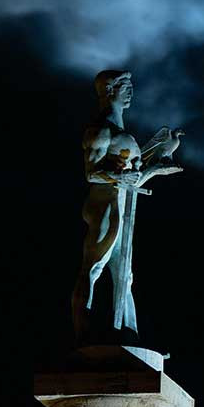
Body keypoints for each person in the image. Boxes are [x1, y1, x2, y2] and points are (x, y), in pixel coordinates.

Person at [72, 70, 142, 343]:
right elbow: (91, 173)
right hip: (104, 204)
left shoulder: (122, 133)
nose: (131, 91)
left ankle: (130, 333)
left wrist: (155, 168)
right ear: (110, 90)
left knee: (125, 274)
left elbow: (133, 177)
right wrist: (120, 176)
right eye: (126, 86)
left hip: (123, 204)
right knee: (94, 267)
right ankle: (82, 332)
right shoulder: (100, 131)